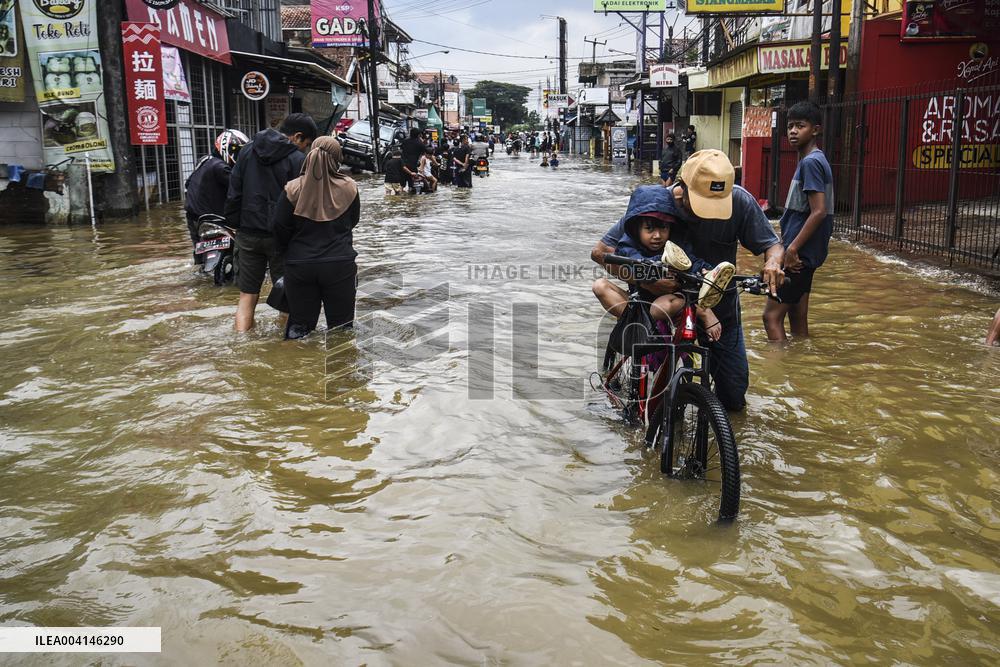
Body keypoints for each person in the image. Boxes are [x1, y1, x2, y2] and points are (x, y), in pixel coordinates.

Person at [591, 150, 784, 411]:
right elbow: (601, 253)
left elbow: (773, 245)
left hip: (719, 305)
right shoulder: (656, 207)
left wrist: (772, 263)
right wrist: (647, 281)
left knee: (733, 394)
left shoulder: (739, 201)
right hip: (665, 299)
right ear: (682, 189)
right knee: (664, 399)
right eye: (703, 202)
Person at [592, 186, 734, 343]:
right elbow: (633, 264)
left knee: (662, 307)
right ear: (636, 229)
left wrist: (705, 270)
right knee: (599, 285)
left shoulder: (676, 244)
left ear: (671, 228)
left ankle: (702, 311)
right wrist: (656, 270)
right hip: (638, 303)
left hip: (669, 301)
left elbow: (691, 261)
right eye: (649, 229)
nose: (657, 236)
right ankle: (636, 325)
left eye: (663, 228)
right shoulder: (628, 246)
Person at [226, 113, 317, 332]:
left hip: (248, 234)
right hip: (283, 238)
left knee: (247, 296)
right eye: (306, 144)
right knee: (287, 294)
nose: (305, 148)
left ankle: (242, 344)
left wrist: (234, 225)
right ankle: (285, 348)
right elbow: (304, 203)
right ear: (297, 136)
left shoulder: (247, 151)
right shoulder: (298, 160)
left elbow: (234, 193)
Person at [272, 137, 361, 339]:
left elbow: (279, 227)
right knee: (342, 332)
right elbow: (353, 221)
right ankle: (341, 370)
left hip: (300, 265)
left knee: (299, 330)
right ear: (337, 159)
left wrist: (290, 254)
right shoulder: (350, 187)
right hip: (339, 264)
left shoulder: (292, 189)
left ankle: (297, 368)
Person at [763, 101, 834, 342]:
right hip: (807, 254)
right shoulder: (815, 159)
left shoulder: (811, 162)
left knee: (771, 317)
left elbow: (819, 211)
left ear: (815, 130)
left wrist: (791, 249)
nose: (793, 131)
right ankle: (799, 368)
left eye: (800, 126)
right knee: (797, 315)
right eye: (790, 126)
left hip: (798, 255)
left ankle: (778, 373)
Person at [184, 129, 248, 254]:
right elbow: (238, 192)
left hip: (192, 216)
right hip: (213, 218)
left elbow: (187, 184)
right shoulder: (221, 168)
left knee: (199, 253)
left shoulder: (203, 160)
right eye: (236, 150)